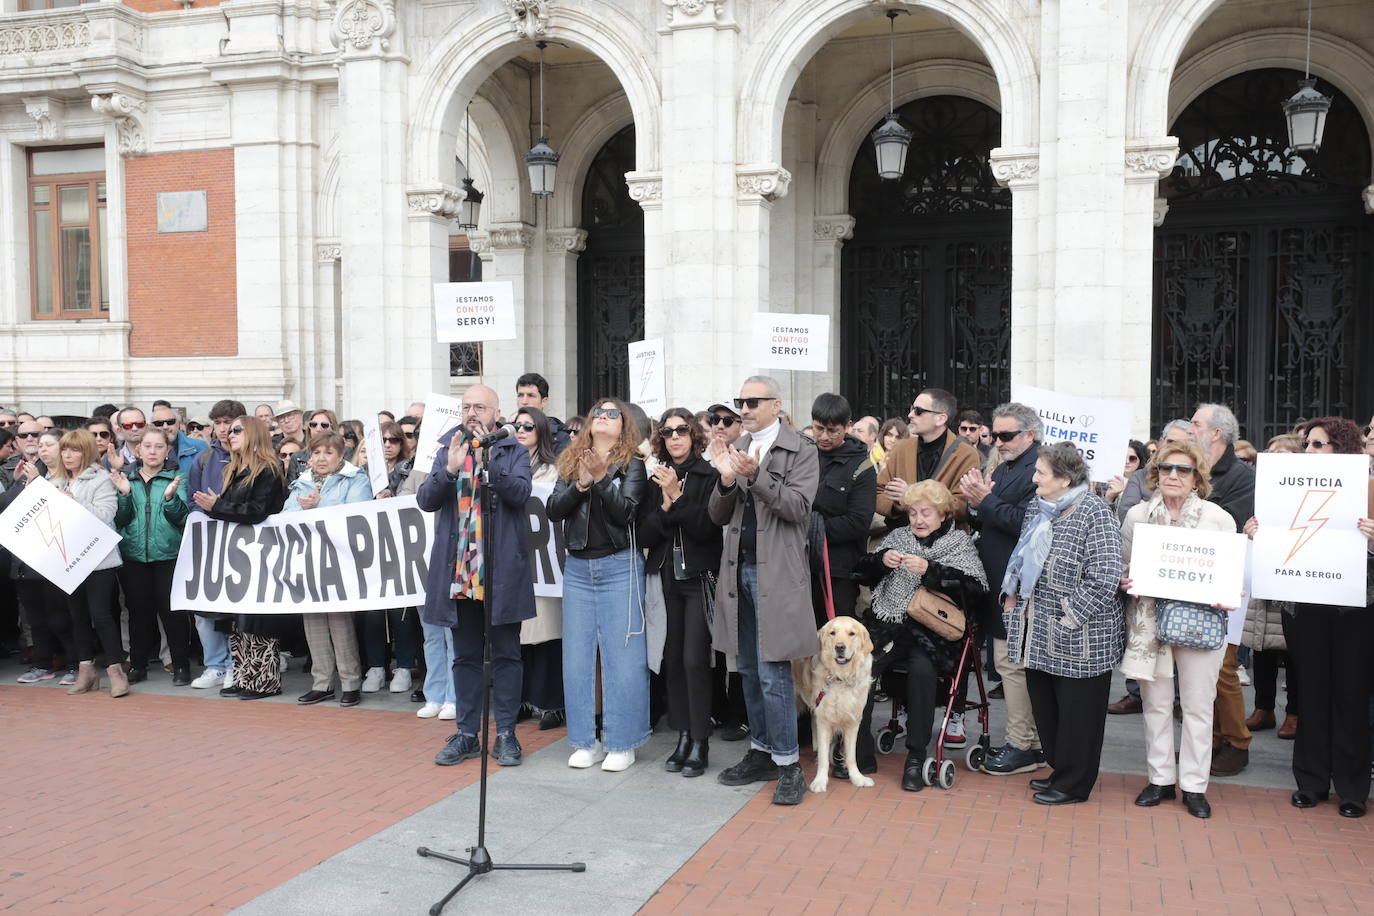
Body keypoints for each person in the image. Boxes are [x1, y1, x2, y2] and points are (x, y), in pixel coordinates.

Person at [1245, 417, 1373, 817]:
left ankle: (1352, 788)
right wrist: (1257, 532)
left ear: (1342, 448)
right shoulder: (1287, 482)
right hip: (1305, 604)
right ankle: (1312, 780)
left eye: (1319, 445)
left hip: (1356, 608)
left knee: (1351, 695)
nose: (1310, 451)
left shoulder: (1367, 487)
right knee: (1311, 692)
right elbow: (1282, 533)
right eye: (1310, 444)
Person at [708, 376, 819, 806]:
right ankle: (761, 752)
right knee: (749, 670)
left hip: (777, 574)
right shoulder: (738, 447)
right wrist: (724, 479)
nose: (744, 408)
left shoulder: (800, 449)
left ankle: (789, 764)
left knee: (774, 672)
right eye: (740, 401)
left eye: (752, 401)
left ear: (776, 404)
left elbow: (797, 509)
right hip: (738, 571)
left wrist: (755, 477)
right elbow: (718, 515)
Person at [1120, 439, 1236, 819]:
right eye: (1166, 468)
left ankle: (1195, 786)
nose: (1173, 475)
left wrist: (1225, 593)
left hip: (1199, 621)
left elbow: (1230, 575)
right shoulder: (1137, 516)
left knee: (1198, 706)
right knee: (1155, 704)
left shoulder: (1217, 518)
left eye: (1183, 470)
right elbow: (1123, 567)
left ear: (1197, 477)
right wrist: (1127, 580)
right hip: (1148, 619)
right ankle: (1159, 779)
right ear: (1155, 474)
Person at [1002, 442, 1124, 805]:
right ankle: (1060, 769)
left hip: (1081, 634)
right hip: (1037, 629)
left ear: (1064, 479)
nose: (1033, 477)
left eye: (1040, 472)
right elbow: (1023, 558)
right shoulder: (1038, 509)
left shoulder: (1095, 511)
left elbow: (1104, 576)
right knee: (1048, 707)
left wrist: (1069, 616)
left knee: (1078, 715)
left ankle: (1074, 783)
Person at [423, 384, 535, 769]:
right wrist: (451, 470)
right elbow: (426, 499)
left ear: (496, 412)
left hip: (500, 572)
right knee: (466, 657)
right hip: (460, 573)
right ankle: (467, 734)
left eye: (480, 407)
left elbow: (521, 493)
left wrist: (491, 469)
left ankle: (505, 734)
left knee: (506, 654)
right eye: (466, 406)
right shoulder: (447, 449)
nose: (472, 412)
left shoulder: (513, 449)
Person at [856, 480, 987, 791]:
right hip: (889, 626)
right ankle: (858, 754)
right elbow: (860, 570)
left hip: (934, 635)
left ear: (942, 514)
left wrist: (931, 570)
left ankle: (916, 757)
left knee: (921, 671)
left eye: (926, 513)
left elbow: (976, 590)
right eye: (913, 513)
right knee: (862, 668)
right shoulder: (898, 537)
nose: (918, 520)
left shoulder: (959, 543)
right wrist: (879, 561)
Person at [548, 397, 649, 772]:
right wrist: (582, 484)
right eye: (598, 413)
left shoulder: (633, 463)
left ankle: (623, 742)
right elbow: (553, 510)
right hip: (578, 569)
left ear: (624, 426)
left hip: (619, 565)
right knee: (576, 659)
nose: (604, 418)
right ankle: (584, 741)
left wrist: (603, 478)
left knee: (623, 658)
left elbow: (627, 513)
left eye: (613, 414)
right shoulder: (571, 460)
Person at [959, 402, 1046, 776]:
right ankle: (1030, 742)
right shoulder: (1007, 465)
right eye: (995, 435)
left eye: (1006, 435)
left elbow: (1029, 523)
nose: (998, 441)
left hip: (1021, 587)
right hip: (1000, 581)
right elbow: (995, 516)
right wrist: (978, 502)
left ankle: (1022, 744)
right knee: (1010, 664)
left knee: (1012, 665)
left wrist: (985, 501)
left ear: (1030, 435)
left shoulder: (1039, 469)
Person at [639, 407, 722, 777]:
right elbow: (644, 533)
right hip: (664, 577)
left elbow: (707, 529)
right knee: (671, 660)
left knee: (693, 660)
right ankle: (683, 735)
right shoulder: (654, 477)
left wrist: (678, 499)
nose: (675, 437)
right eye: (668, 432)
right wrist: (668, 502)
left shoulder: (708, 475)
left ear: (694, 436)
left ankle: (700, 741)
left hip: (699, 578)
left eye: (682, 431)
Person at [192, 416, 288, 700]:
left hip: (261, 552)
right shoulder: (234, 469)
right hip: (237, 552)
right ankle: (244, 675)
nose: (229, 434)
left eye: (237, 430)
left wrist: (217, 505)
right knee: (236, 617)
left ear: (254, 434)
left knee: (257, 618)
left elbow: (258, 510)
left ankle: (264, 681)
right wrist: (214, 507)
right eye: (228, 430)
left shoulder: (268, 470)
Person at [1189, 402, 1255, 777]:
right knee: (1202, 663)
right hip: (1193, 572)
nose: (1190, 428)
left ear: (1216, 433)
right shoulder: (1196, 467)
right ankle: (1212, 736)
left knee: (1224, 665)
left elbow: (1229, 522)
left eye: (1196, 423)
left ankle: (1237, 740)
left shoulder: (1241, 476)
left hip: (1226, 575)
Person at [287, 431, 373, 707]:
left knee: (339, 620)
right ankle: (321, 682)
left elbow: (358, 511)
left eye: (328, 453)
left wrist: (319, 505)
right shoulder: (301, 482)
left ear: (340, 457)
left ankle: (350, 682)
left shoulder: (355, 478)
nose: (321, 458)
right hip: (308, 559)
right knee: (312, 621)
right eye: (316, 452)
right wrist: (305, 510)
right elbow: (285, 514)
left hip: (340, 558)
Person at [112, 427, 192, 686]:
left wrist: (170, 498)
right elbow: (121, 520)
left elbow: (183, 518)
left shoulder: (176, 477)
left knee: (173, 614)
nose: (153, 451)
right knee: (138, 613)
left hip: (168, 556)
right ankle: (138, 665)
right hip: (134, 557)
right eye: (148, 446)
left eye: (159, 446)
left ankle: (181, 666)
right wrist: (124, 495)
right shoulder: (128, 479)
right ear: (138, 450)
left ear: (167, 450)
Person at [52, 429, 128, 698]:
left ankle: (115, 671)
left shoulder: (100, 479)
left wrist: (75, 504)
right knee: (78, 617)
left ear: (87, 452)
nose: (68, 455)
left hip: (99, 560)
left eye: (75, 450)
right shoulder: (55, 481)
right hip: (67, 560)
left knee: (102, 616)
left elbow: (107, 515)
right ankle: (86, 671)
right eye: (65, 449)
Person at [4, 431, 77, 686]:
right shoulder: (29, 475)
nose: (41, 449)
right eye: (39, 446)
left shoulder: (69, 477)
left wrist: (37, 485)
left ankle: (73, 663)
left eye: (48, 445)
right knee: (36, 619)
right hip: (24, 561)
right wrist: (19, 484)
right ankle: (42, 663)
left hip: (55, 559)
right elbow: (5, 506)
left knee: (61, 617)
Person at [512, 406, 566, 730]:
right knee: (518, 635)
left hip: (545, 564)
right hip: (516, 563)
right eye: (517, 425)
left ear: (541, 432)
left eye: (528, 426)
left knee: (547, 633)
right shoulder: (503, 466)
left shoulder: (553, 469)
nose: (521, 431)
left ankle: (551, 703)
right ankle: (521, 699)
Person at [185, 398, 246, 690]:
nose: (224, 430)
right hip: (210, 542)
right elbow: (192, 498)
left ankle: (237, 664)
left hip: (243, 542)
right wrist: (204, 515)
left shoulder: (253, 458)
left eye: (230, 424)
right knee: (204, 606)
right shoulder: (204, 458)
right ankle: (215, 665)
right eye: (219, 423)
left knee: (236, 608)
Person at [805, 393, 877, 627]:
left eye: (832, 430)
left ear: (848, 427)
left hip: (839, 570)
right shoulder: (802, 456)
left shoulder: (862, 466)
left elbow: (858, 522)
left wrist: (812, 527)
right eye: (818, 429)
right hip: (800, 564)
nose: (824, 437)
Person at [875, 388, 981, 528]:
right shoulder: (901, 448)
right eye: (912, 409)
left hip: (945, 545)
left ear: (940, 418)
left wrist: (910, 496)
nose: (910, 415)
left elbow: (963, 506)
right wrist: (897, 506)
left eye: (918, 411)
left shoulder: (966, 454)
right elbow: (877, 492)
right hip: (901, 541)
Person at [515, 372, 573, 453]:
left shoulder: (559, 437)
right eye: (520, 395)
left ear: (544, 402)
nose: (524, 401)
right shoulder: (507, 432)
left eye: (531, 396)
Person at [150, 402, 208, 475]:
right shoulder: (144, 450)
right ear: (152, 427)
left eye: (170, 422)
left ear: (178, 424)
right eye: (159, 423)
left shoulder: (199, 447)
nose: (165, 427)